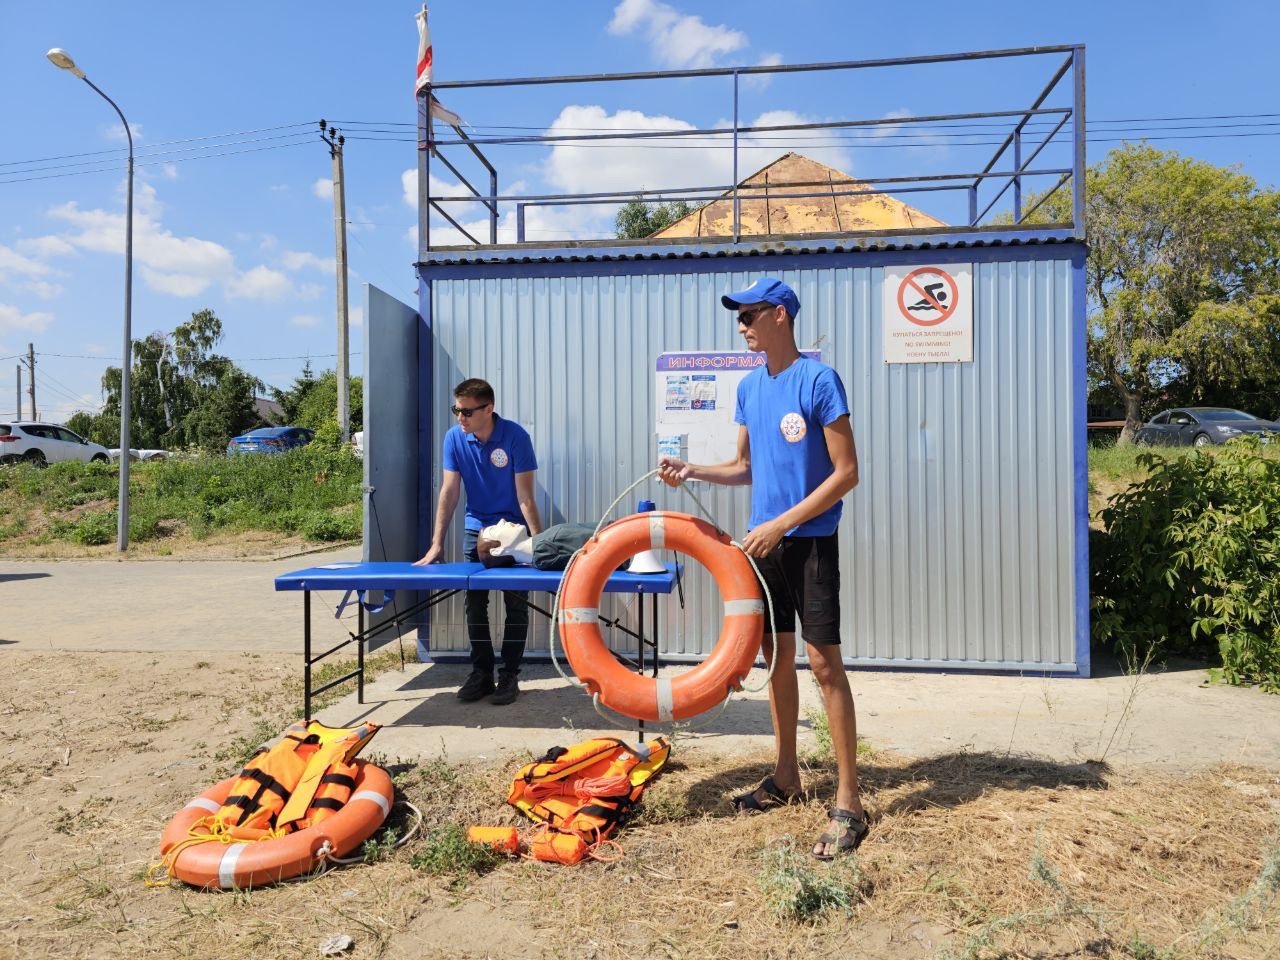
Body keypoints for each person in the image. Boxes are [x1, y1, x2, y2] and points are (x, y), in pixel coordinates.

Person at [658, 277, 868, 859]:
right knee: (776, 661)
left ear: (780, 315)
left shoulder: (820, 380)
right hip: (765, 548)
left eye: (748, 314)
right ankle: (786, 777)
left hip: (810, 545)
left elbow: (846, 472)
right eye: (737, 316)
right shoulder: (749, 388)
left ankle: (849, 802)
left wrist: (784, 523)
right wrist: (692, 470)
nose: (741, 324)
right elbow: (744, 465)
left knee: (825, 667)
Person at [415, 378, 542, 705]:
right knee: (474, 601)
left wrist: (540, 545)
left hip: (513, 532)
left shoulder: (516, 438)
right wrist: (436, 543)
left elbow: (525, 497)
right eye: (456, 409)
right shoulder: (454, 438)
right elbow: (450, 491)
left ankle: (510, 676)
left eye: (467, 411)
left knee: (516, 603)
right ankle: (482, 673)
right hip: (477, 529)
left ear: (489, 409)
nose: (460, 417)